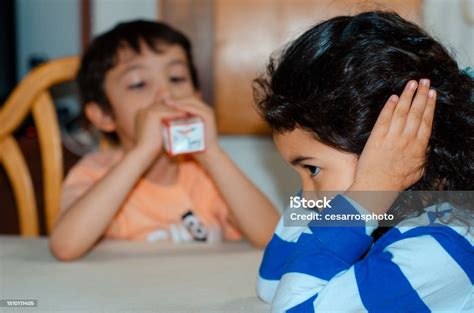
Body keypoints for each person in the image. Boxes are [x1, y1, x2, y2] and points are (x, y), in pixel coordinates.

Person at [254, 11, 473, 312]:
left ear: (389, 149)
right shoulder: (386, 218)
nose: (304, 195)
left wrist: (366, 196)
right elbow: (271, 284)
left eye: (312, 169)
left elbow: (293, 307)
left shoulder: (444, 247)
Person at [50, 20, 279, 261]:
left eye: (177, 78)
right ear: (104, 115)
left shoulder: (207, 173)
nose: (166, 94)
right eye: (139, 84)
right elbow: (65, 247)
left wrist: (212, 153)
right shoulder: (94, 173)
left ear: (197, 96)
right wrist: (142, 152)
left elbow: (272, 238)